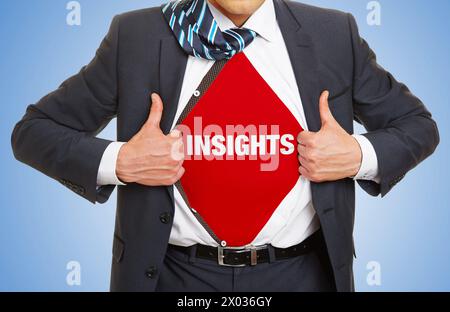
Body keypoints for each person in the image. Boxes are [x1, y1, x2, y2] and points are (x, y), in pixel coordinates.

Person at [11, 0, 439, 292]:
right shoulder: (136, 36)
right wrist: (121, 160)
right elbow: (33, 131)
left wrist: (357, 156)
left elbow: (418, 126)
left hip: (302, 275)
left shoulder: (333, 33)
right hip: (171, 276)